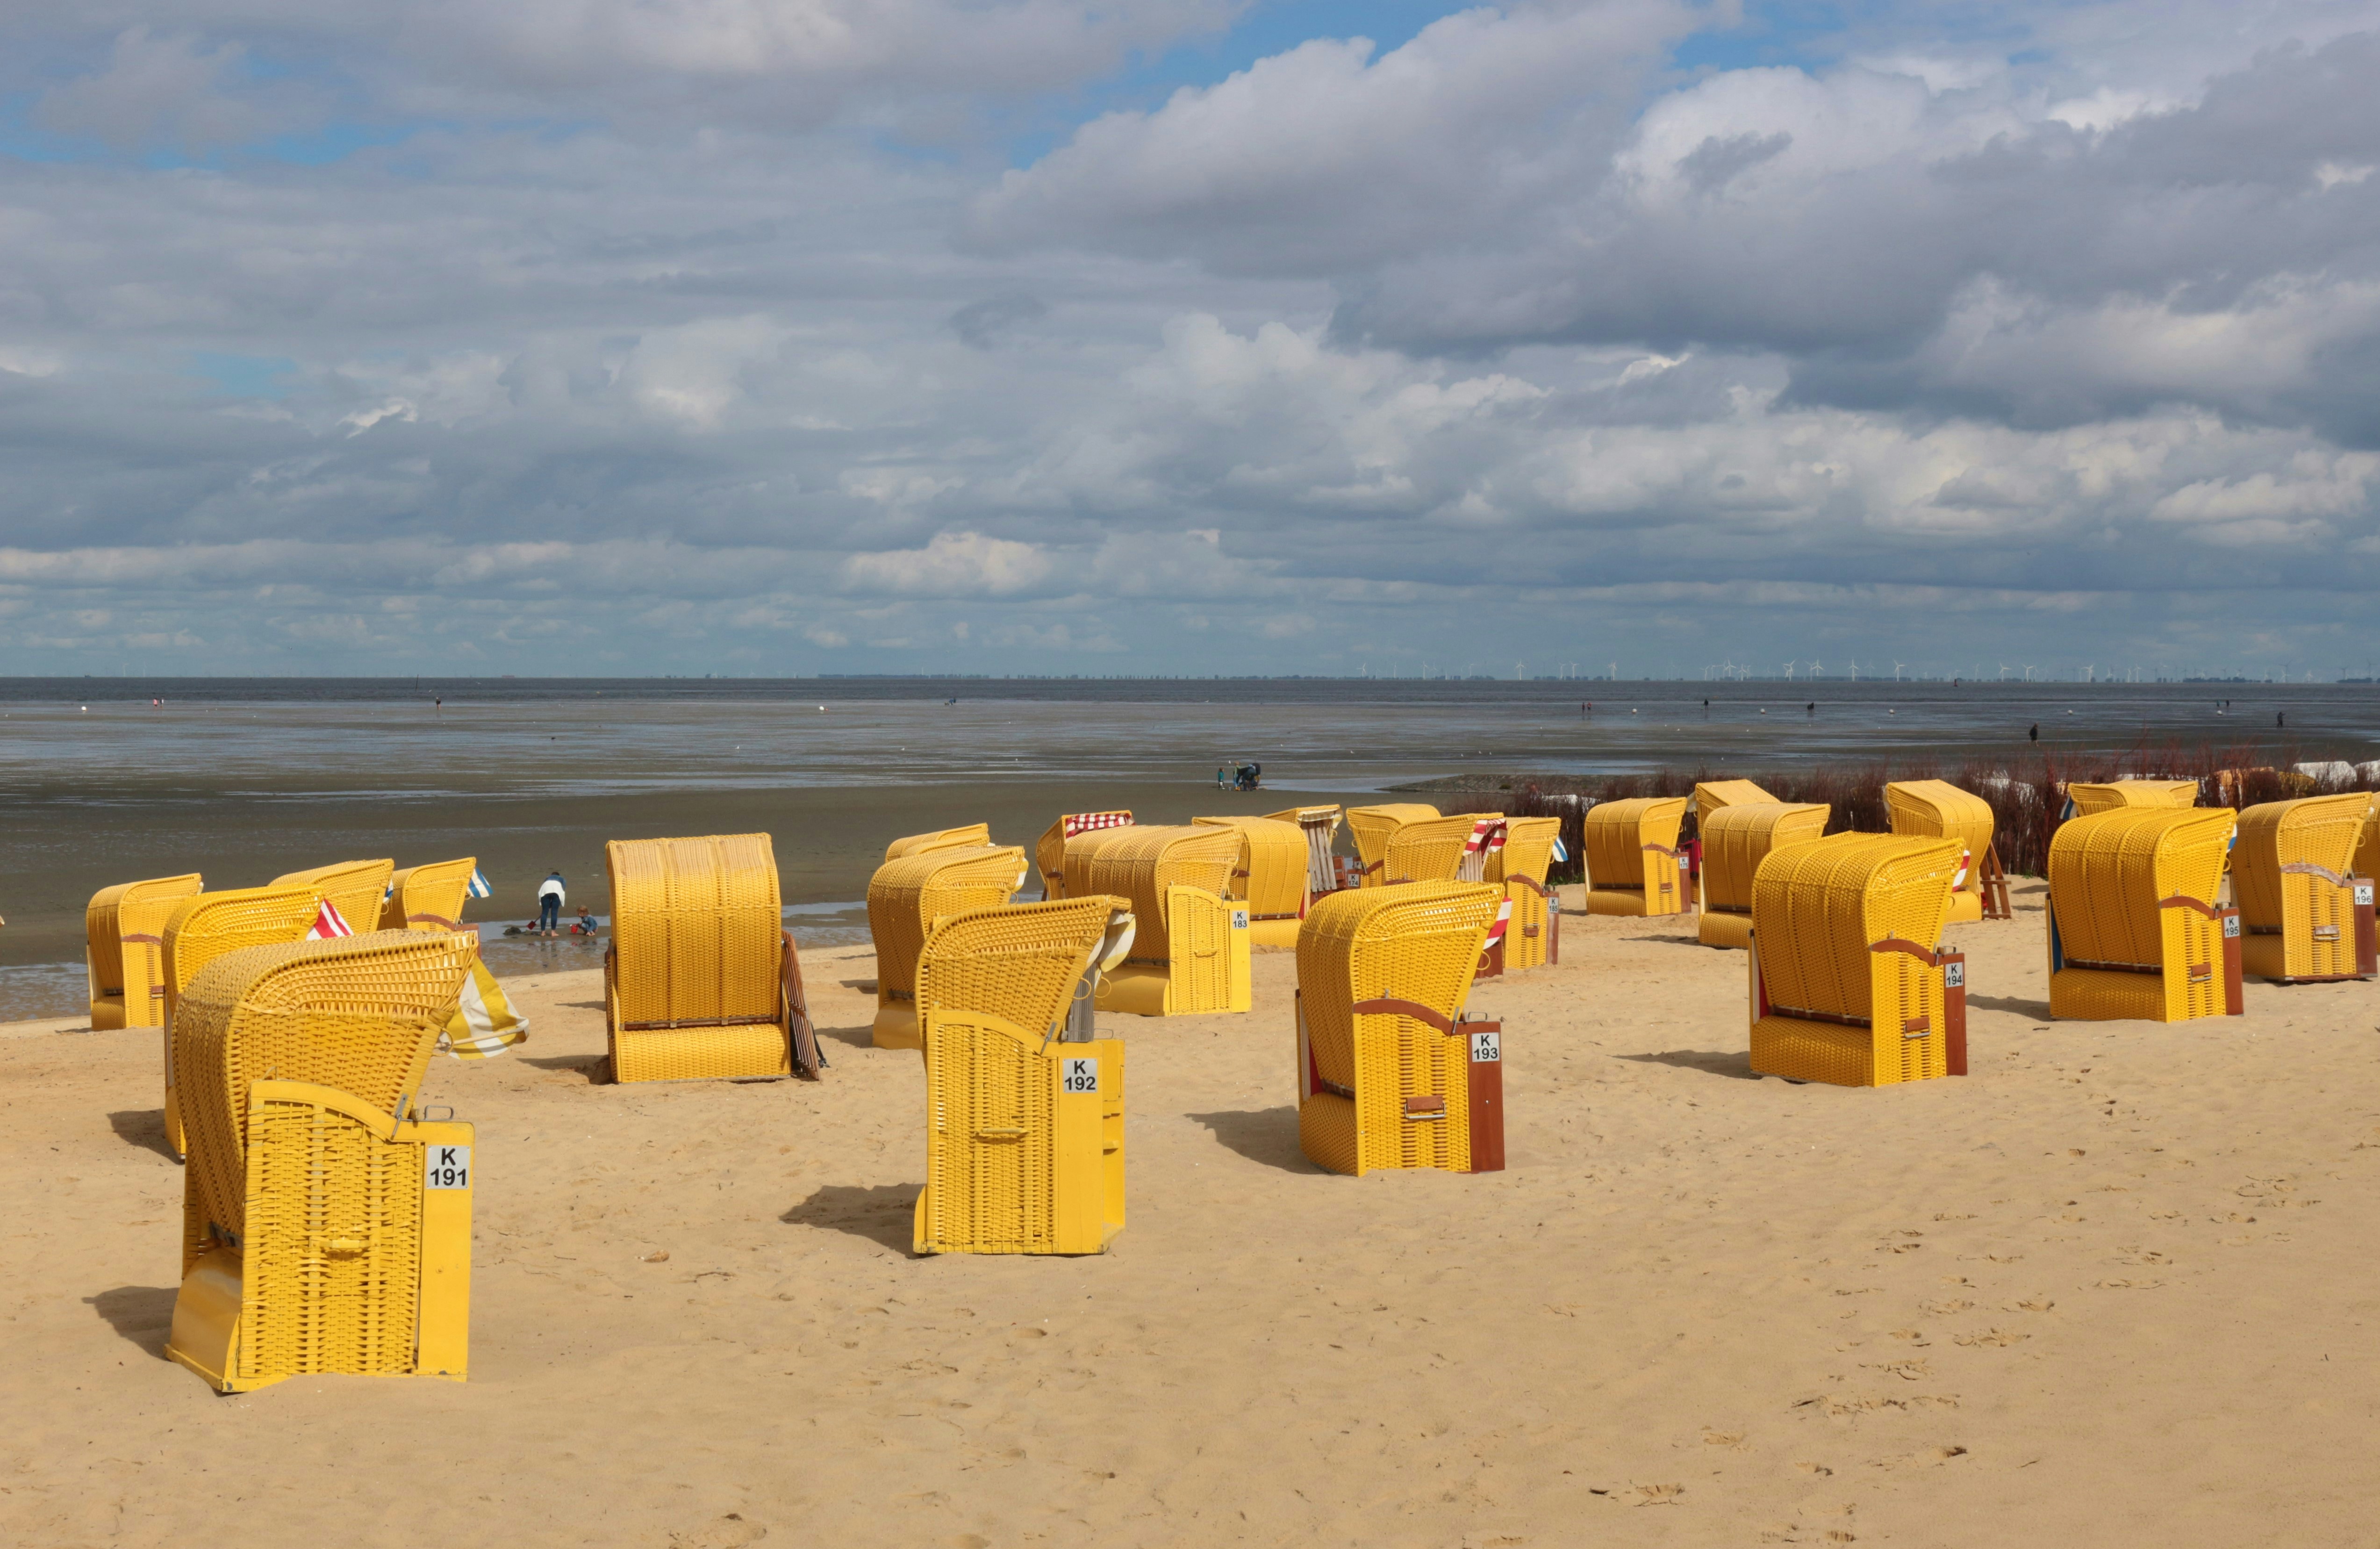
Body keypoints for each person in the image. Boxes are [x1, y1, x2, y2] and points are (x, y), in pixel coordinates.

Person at [538, 870, 566, 938]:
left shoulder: (548, 878)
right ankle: (553, 933)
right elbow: (563, 889)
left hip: (545, 892)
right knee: (554, 912)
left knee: (545, 912)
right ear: (558, 875)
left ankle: (543, 933)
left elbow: (546, 888)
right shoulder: (562, 879)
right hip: (557, 893)